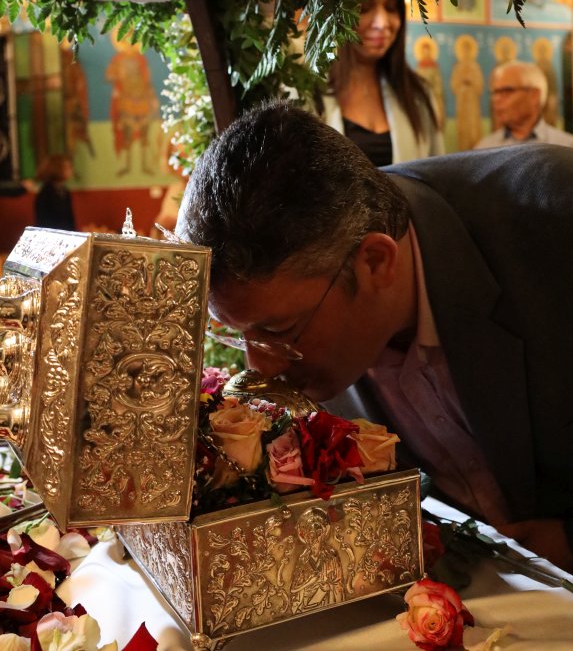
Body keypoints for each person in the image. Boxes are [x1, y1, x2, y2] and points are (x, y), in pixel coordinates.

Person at [176, 102, 573, 573]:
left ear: (375, 262)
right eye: (235, 333)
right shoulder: (318, 276)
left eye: (279, 332)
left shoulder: (554, 222)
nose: (259, 368)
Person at [315, 0, 444, 165]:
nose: (382, 23)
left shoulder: (418, 95)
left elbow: (436, 174)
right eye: (364, 8)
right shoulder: (308, 92)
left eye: (391, 7)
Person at [476, 60, 573, 149]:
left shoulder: (566, 147)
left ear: (534, 95)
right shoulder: (484, 148)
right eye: (494, 93)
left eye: (506, 91)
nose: (495, 99)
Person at [34, 154, 76, 231]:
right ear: (57, 169)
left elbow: (69, 218)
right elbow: (44, 221)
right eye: (67, 167)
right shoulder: (46, 193)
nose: (71, 170)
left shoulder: (65, 191)